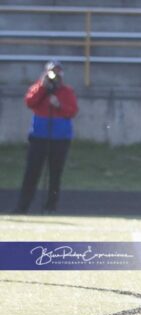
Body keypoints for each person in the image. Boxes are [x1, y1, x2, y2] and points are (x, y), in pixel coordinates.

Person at [14, 60, 78, 214]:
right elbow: (29, 102)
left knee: (55, 174)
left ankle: (51, 207)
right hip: (39, 137)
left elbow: (73, 111)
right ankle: (23, 207)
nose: (53, 76)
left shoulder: (67, 92)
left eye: (56, 72)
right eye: (51, 72)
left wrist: (59, 105)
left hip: (60, 139)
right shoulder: (38, 88)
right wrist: (42, 87)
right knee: (32, 173)